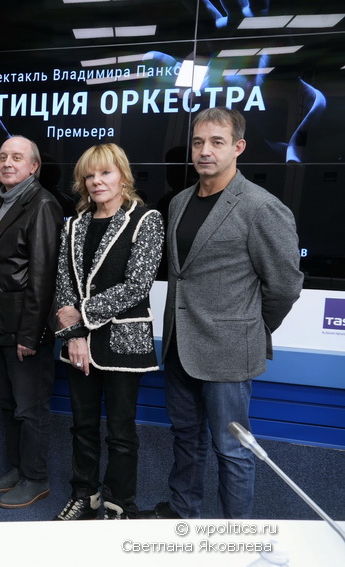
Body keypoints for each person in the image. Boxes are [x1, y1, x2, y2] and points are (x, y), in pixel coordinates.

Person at [141, 107, 303, 520]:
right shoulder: (179, 202)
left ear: (238, 147)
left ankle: (236, 535)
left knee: (232, 448)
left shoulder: (261, 207)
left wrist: (250, 327)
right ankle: (184, 512)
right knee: (186, 437)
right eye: (198, 142)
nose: (205, 151)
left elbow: (284, 285)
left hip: (229, 350)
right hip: (180, 345)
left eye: (217, 142)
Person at [52, 143, 164, 521]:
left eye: (105, 173)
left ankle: (119, 505)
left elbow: (137, 286)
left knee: (121, 431)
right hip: (79, 344)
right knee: (82, 426)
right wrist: (74, 335)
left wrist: (81, 315)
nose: (97, 181)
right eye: (90, 175)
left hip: (123, 344)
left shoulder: (146, 220)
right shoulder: (74, 225)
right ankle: (84, 495)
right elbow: (64, 285)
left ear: (122, 177)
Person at [0, 135, 63, 508]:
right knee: (9, 405)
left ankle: (35, 478)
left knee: (30, 409)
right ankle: (16, 469)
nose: (7, 163)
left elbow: (44, 278)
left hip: (25, 332)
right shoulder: (1, 200)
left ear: (34, 167)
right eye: (2, 157)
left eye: (16, 157)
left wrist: (30, 335)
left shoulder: (42, 204)